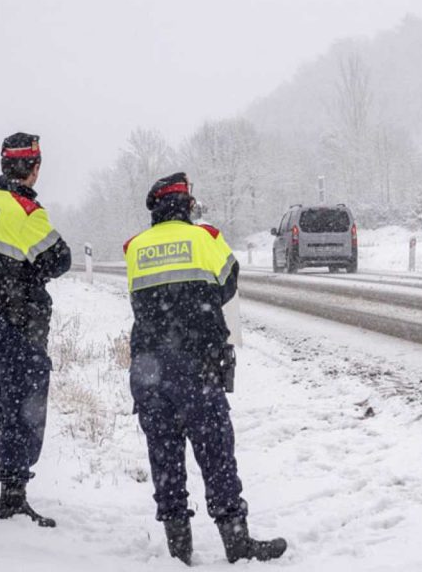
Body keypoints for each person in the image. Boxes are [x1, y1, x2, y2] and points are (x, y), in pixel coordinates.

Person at [123, 172, 286, 565]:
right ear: (185, 205)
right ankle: (236, 541)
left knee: (164, 455)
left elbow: (141, 300)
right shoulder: (205, 238)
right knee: (215, 454)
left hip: (148, 368)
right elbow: (229, 281)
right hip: (196, 366)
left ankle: (179, 548)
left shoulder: (135, 247)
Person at [0, 132, 71, 527]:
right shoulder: (24, 211)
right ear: (34, 168)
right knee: (24, 406)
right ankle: (13, 496)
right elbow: (60, 259)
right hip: (20, 323)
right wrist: (28, 274)